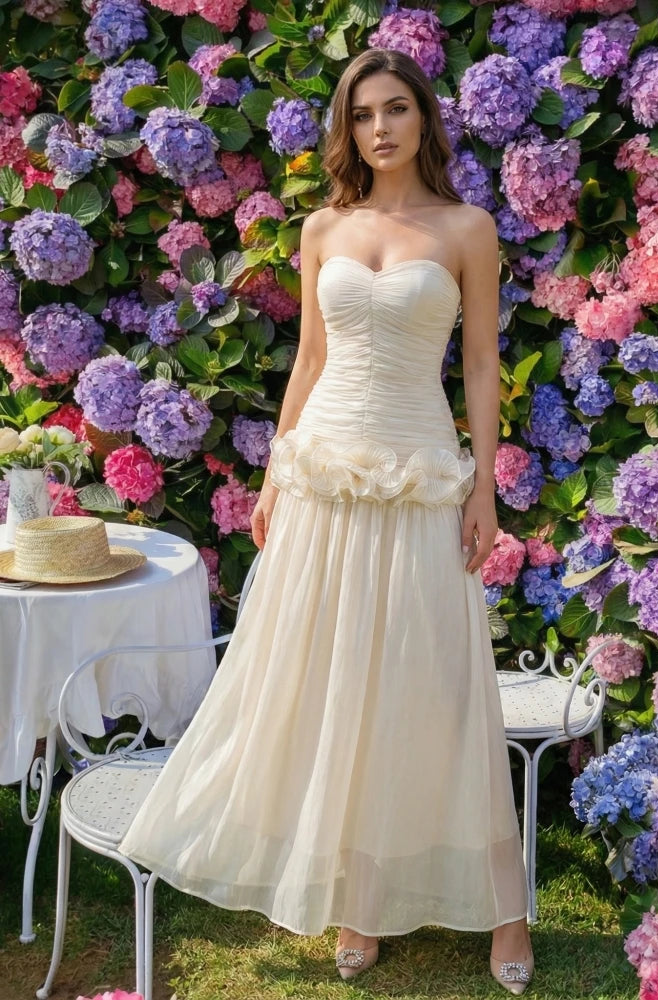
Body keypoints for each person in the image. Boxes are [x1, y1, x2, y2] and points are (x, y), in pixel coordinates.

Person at [119, 46, 533, 994]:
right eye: (361, 114)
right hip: (321, 472)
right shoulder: (321, 228)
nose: (380, 128)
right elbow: (308, 359)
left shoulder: (468, 228)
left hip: (420, 468)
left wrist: (482, 488)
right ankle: (361, 894)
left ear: (424, 117)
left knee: (435, 680)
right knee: (337, 674)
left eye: (396, 108)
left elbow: (477, 365)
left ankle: (505, 910)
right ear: (347, 129)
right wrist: (271, 478)